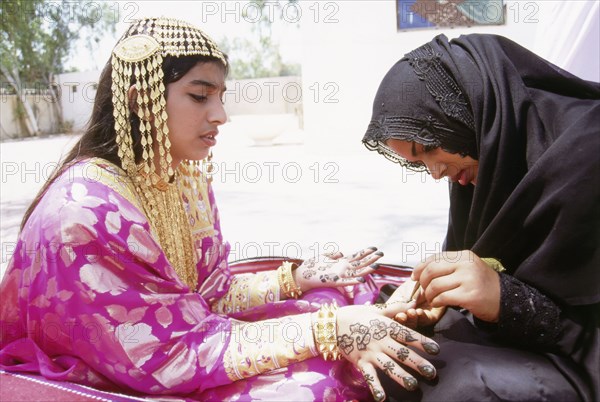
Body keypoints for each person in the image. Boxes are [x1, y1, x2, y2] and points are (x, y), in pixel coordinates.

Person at [0, 17, 440, 401]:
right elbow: (164, 355)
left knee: (334, 294)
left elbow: (208, 296)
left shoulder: (181, 177)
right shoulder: (84, 213)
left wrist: (298, 279)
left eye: (221, 95)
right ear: (139, 100)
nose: (221, 115)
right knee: (318, 382)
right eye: (200, 96)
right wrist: (327, 331)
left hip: (186, 337)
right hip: (139, 364)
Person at [363, 33, 599, 401]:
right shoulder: (487, 158)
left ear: (466, 109)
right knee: (397, 356)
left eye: (428, 148)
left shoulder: (587, 156)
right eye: (418, 163)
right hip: (531, 345)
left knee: (460, 386)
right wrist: (442, 303)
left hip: (584, 358)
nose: (436, 173)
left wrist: (506, 300)